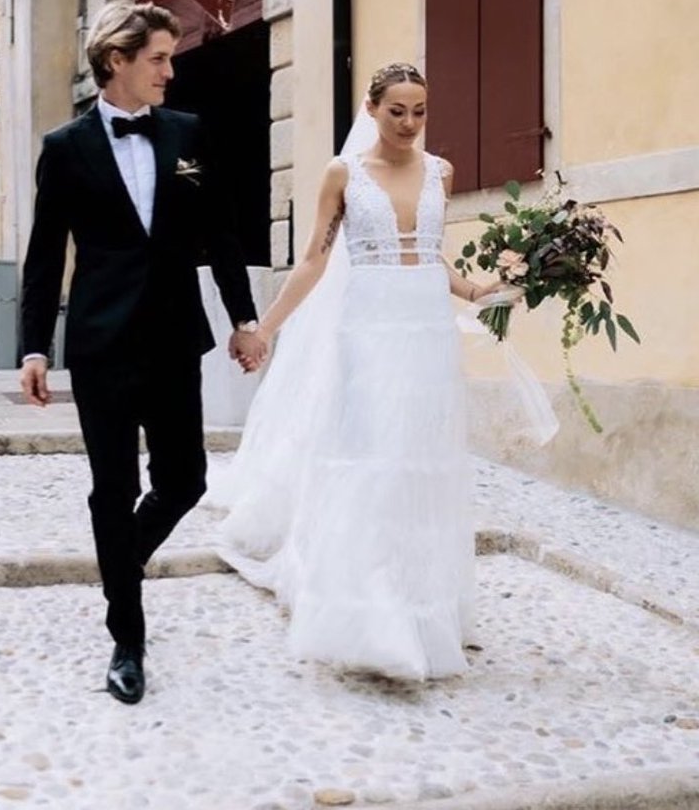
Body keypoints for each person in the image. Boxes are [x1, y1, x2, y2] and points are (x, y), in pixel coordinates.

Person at [213, 63, 502, 680]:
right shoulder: (344, 174)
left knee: (421, 464)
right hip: (368, 332)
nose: (409, 123)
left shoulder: (440, 175)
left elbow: (427, 253)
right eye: (396, 110)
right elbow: (315, 260)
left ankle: (424, 612)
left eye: (419, 110)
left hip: (426, 334)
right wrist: (264, 329)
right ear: (371, 110)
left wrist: (477, 289)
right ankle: (368, 615)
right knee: (371, 462)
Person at [19, 1, 267, 704]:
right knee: (115, 489)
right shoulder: (65, 148)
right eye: (158, 57)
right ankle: (127, 637)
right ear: (116, 62)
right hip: (99, 343)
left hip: (171, 336)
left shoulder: (188, 133)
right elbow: (45, 256)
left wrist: (244, 319)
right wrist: (35, 346)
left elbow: (221, 234)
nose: (170, 69)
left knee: (185, 479)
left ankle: (117, 569)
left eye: (169, 56)